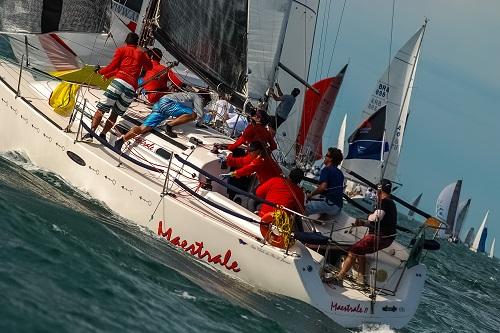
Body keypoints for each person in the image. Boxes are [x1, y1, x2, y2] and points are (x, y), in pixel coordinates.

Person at [83, 32, 152, 141]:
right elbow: (150, 66)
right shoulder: (141, 54)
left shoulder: (121, 50)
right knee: (115, 114)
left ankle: (90, 134)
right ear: (137, 43)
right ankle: (103, 134)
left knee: (101, 109)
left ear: (126, 41)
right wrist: (145, 54)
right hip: (131, 88)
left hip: (119, 82)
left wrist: (100, 71)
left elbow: (112, 66)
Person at [331, 179, 397, 285]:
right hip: (386, 238)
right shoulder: (391, 203)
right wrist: (363, 223)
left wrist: (368, 217)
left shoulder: (384, 202)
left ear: (379, 190)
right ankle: (361, 278)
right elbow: (380, 223)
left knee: (353, 251)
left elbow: (377, 217)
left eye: (376, 190)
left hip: (379, 237)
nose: (375, 192)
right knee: (361, 251)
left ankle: (339, 277)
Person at [114, 91, 210, 150]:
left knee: (142, 128)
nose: (205, 104)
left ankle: (121, 141)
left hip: (161, 105)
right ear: (204, 99)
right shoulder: (199, 98)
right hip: (169, 104)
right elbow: (200, 114)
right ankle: (169, 125)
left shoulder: (189, 95)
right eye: (207, 102)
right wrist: (199, 124)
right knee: (193, 115)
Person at [305, 147, 344, 216]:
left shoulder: (326, 169)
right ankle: (323, 216)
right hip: (338, 208)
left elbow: (323, 187)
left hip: (328, 203)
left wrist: (310, 195)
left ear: (331, 159)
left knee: (301, 208)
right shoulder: (340, 173)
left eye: (326, 155)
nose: (325, 157)